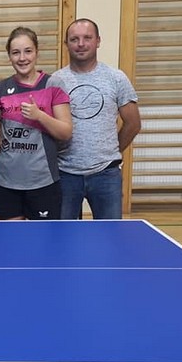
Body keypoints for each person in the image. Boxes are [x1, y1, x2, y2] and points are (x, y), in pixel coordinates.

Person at [47, 18, 141, 220]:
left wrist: (110, 151)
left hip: (106, 174)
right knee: (63, 235)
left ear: (98, 41)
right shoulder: (55, 81)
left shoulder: (116, 78)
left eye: (87, 38)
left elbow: (133, 124)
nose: (81, 44)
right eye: (74, 39)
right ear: (66, 44)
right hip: (64, 173)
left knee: (109, 234)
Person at [0, 27, 72, 220]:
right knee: (11, 237)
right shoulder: (0, 88)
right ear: (9, 56)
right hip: (6, 180)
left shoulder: (53, 84)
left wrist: (40, 116)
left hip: (42, 180)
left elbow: (66, 132)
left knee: (42, 237)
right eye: (15, 52)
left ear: (37, 52)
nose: (22, 58)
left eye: (28, 51)